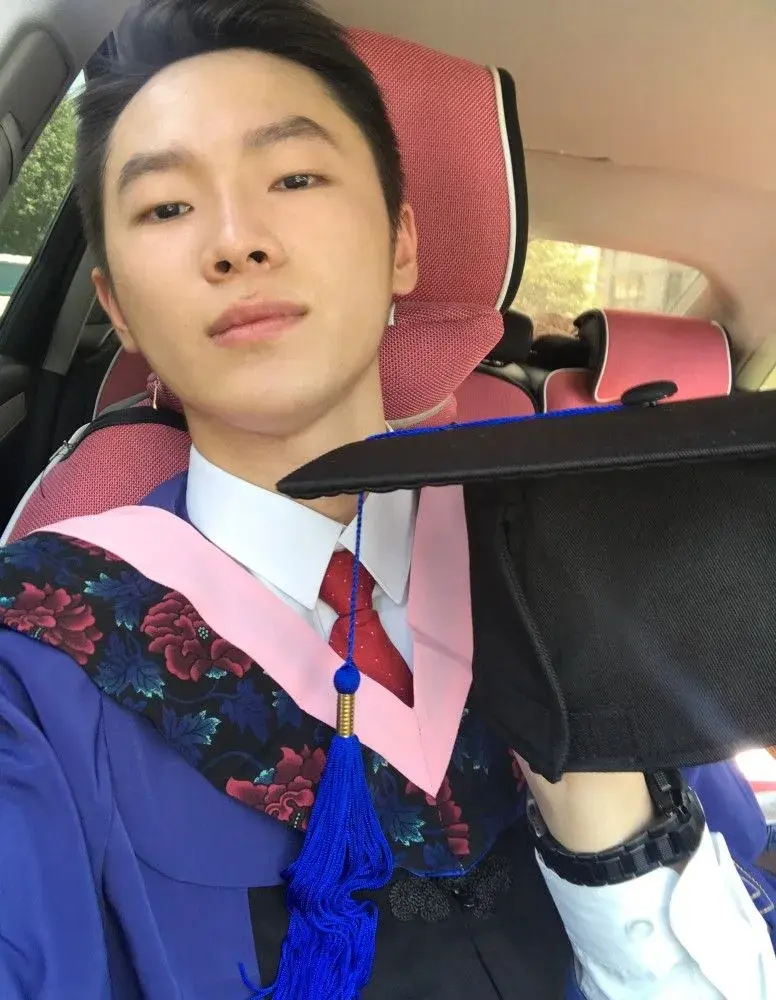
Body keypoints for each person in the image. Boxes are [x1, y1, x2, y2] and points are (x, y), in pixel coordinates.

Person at [0, 0, 774, 997]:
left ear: (402, 244)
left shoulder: (585, 567)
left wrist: (605, 805)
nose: (235, 242)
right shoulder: (41, 657)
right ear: (118, 307)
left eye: (294, 177)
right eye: (166, 208)